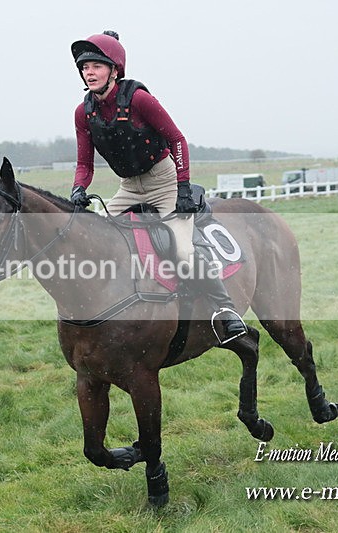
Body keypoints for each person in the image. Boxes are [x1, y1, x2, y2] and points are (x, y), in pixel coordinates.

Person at [69, 30, 246, 344]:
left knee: (181, 249)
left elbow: (177, 139)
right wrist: (78, 189)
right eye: (85, 67)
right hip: (128, 187)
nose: (89, 72)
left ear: (114, 70)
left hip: (163, 182)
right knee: (104, 242)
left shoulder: (138, 99)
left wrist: (183, 187)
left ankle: (225, 308)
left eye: (96, 66)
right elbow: (85, 163)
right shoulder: (83, 112)